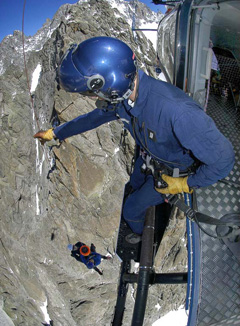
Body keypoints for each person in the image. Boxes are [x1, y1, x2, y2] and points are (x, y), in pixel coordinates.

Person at [34, 36, 235, 243]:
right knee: (133, 184)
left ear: (111, 84)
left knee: (130, 210)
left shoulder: (178, 113)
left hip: (172, 173)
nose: (93, 98)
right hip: (149, 158)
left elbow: (224, 161)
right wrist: (56, 133)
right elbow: (92, 119)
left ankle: (149, 239)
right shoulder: (123, 99)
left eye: (91, 93)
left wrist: (184, 184)